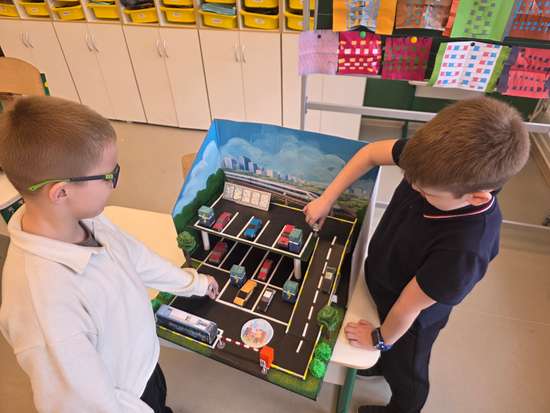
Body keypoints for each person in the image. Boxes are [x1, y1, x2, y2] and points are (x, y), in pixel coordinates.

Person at [303, 97, 530, 413]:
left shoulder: (465, 249)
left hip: (413, 319)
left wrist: (380, 339)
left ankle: (403, 406)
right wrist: (327, 198)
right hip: (388, 279)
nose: (413, 187)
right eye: (409, 179)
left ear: (477, 197)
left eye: (425, 192)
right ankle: (381, 361)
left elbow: (407, 310)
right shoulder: (431, 160)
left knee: (407, 370)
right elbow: (370, 153)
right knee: (388, 350)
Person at [0, 96, 219, 413]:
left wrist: (193, 283)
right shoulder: (42, 304)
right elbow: (84, 402)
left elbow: (135, 256)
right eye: (108, 176)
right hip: (127, 401)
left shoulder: (87, 219)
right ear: (61, 192)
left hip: (142, 369)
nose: (114, 184)